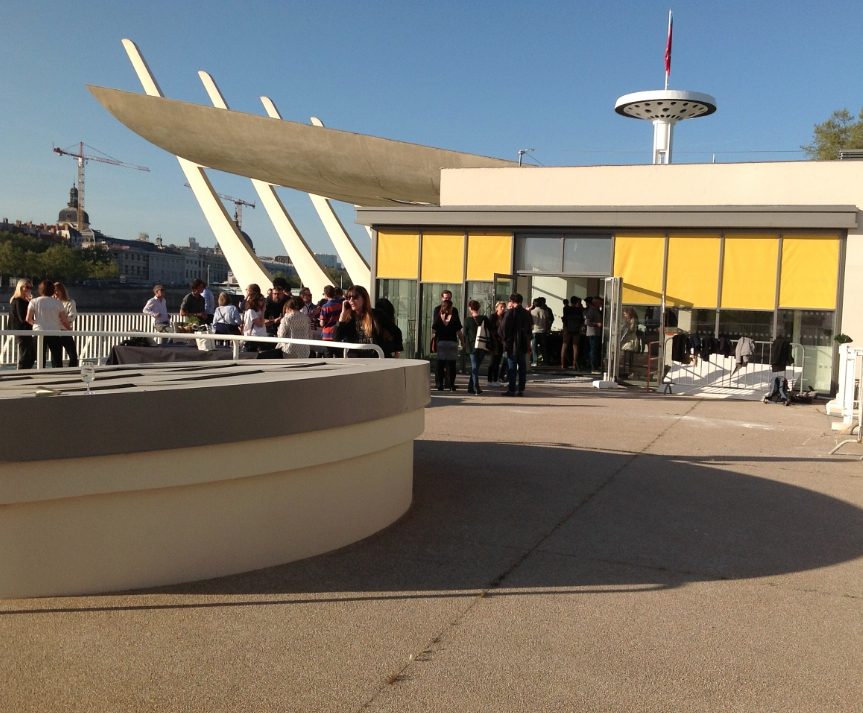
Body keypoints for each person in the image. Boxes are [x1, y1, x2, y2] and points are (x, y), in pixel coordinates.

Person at [333, 285, 398, 358]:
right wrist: (342, 316)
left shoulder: (377, 314)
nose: (351, 300)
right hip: (356, 359)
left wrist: (396, 350)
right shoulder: (349, 319)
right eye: (348, 297)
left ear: (364, 298)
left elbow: (395, 331)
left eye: (355, 297)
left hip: (376, 357)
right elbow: (336, 338)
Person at [26, 280, 71, 368]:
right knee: (56, 357)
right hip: (54, 331)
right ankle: (58, 374)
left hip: (39, 331)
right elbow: (64, 320)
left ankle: (41, 373)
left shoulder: (34, 301)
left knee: (40, 357)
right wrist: (69, 328)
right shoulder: (58, 303)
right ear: (52, 290)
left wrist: (36, 323)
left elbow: (28, 318)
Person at [498, 293, 533, 397]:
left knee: (512, 366)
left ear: (512, 301)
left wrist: (504, 340)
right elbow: (530, 330)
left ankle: (511, 389)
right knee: (522, 366)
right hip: (523, 343)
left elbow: (503, 329)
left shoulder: (511, 312)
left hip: (512, 344)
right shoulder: (526, 313)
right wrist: (528, 343)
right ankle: (521, 388)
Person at [431, 299, 464, 391]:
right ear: (450, 308)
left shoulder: (438, 318)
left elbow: (434, 331)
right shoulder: (454, 318)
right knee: (452, 365)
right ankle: (451, 385)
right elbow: (459, 332)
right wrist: (462, 342)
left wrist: (435, 339)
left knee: (441, 365)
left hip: (441, 343)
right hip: (452, 342)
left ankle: (440, 385)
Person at [463, 300, 491, 395]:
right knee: (476, 367)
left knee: (474, 367)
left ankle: (475, 388)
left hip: (472, 346)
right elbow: (490, 330)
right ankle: (471, 387)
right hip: (482, 345)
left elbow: (465, 334)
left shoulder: (467, 320)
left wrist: (464, 344)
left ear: (470, 308)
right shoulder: (484, 318)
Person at [8, 278, 35, 370]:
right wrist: (31, 304)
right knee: (26, 353)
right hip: (21, 330)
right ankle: (21, 372)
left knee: (31, 354)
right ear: (21, 287)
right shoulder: (18, 300)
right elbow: (22, 317)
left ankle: (25, 371)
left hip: (24, 329)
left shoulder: (22, 300)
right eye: (27, 287)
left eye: (30, 288)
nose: (29, 290)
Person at [53, 282, 79, 367]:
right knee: (56, 355)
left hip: (65, 330)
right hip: (54, 330)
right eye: (54, 291)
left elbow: (72, 316)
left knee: (72, 354)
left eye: (57, 290)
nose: (56, 292)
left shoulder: (70, 302)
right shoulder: (51, 302)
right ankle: (56, 371)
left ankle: (73, 369)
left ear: (62, 291)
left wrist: (62, 321)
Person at [319, 285, 344, 353]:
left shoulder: (325, 307)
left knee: (328, 357)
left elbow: (322, 323)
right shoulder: (341, 304)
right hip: (338, 333)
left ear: (326, 295)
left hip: (327, 335)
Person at [487, 301, 507, 385]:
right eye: (501, 307)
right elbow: (490, 329)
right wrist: (497, 336)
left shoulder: (504, 317)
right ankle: (490, 379)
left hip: (501, 342)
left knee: (498, 361)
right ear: (496, 308)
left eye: (504, 307)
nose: (502, 309)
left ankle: (496, 379)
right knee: (493, 361)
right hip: (494, 341)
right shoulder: (493, 317)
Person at [561, 296, 584, 369]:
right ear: (577, 302)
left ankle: (563, 363)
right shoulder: (579, 310)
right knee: (575, 346)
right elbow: (581, 320)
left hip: (567, 328)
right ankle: (574, 364)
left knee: (565, 345)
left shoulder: (566, 309)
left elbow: (564, 319)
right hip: (576, 329)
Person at [620, 307, 641, 377]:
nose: (624, 316)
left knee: (629, 356)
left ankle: (629, 370)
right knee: (626, 356)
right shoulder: (626, 320)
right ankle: (625, 370)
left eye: (625, 314)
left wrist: (627, 324)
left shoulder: (632, 320)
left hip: (631, 339)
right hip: (627, 338)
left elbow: (631, 329)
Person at [584, 297, 603, 374]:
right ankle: (593, 367)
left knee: (593, 350)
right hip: (592, 333)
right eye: (599, 303)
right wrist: (596, 324)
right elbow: (587, 321)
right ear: (595, 303)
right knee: (593, 350)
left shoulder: (596, 310)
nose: (600, 305)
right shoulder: (591, 310)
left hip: (596, 332)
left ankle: (581, 360)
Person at [529, 298, 549, 366]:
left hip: (534, 331)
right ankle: (545, 361)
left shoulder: (531, 312)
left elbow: (530, 322)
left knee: (534, 347)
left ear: (534, 304)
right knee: (543, 347)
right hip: (543, 331)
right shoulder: (545, 312)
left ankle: (535, 361)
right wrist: (547, 329)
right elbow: (547, 322)